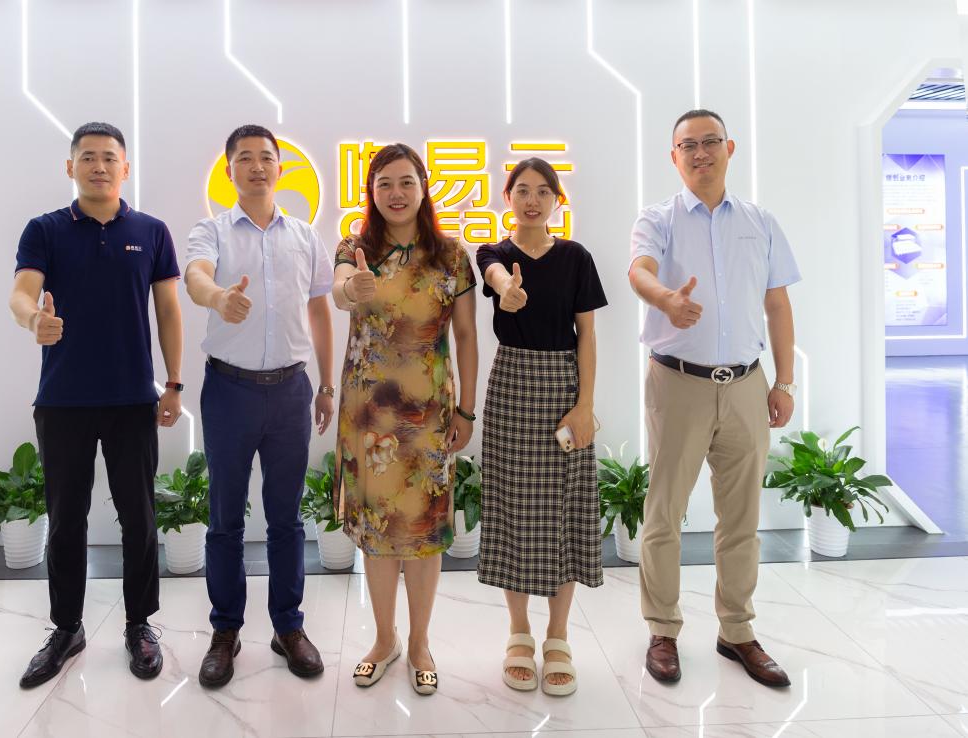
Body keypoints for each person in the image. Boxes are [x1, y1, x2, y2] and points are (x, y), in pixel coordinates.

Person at [628, 108, 800, 688]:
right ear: (673, 157)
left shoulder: (759, 221)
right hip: (678, 383)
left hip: (747, 385)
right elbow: (639, 271)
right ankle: (662, 629)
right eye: (688, 145)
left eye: (710, 142)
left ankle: (737, 631)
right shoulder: (658, 218)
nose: (700, 153)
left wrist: (783, 382)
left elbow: (777, 304)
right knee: (664, 514)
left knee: (742, 517)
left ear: (730, 148)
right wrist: (665, 300)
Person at [9, 121, 183, 688]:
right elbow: (22, 292)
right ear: (71, 167)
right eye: (88, 157)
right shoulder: (45, 229)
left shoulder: (151, 231)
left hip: (133, 400)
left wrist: (174, 383)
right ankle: (66, 628)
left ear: (125, 168)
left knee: (139, 517)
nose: (99, 166)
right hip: (63, 400)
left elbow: (168, 311)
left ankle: (139, 625)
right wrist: (33, 320)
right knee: (66, 520)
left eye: (110, 157)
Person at [184, 124, 335, 688]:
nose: (256, 166)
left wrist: (325, 384)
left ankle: (287, 627)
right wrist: (218, 298)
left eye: (265, 157)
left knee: (286, 519)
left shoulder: (304, 235)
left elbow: (320, 310)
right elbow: (195, 278)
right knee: (225, 518)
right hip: (229, 391)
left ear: (280, 168)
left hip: (292, 390)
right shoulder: (212, 231)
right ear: (229, 171)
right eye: (244, 158)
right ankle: (225, 631)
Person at [331, 143, 477, 695]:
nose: (395, 193)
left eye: (406, 182)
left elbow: (466, 336)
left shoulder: (451, 255)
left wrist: (466, 409)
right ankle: (383, 639)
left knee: (422, 532)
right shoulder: (355, 247)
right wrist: (353, 287)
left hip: (429, 416)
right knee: (378, 532)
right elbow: (342, 291)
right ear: (371, 191)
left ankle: (419, 643)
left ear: (423, 187)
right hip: (369, 417)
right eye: (384, 183)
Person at [475, 158, 607, 696]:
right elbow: (494, 276)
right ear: (507, 197)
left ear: (557, 200)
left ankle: (558, 635)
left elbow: (588, 335)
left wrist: (585, 405)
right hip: (510, 384)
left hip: (564, 387)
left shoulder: (576, 257)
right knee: (513, 507)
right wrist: (507, 290)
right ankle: (518, 632)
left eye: (543, 192)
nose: (532, 200)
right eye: (522, 190)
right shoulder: (492, 253)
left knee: (566, 508)